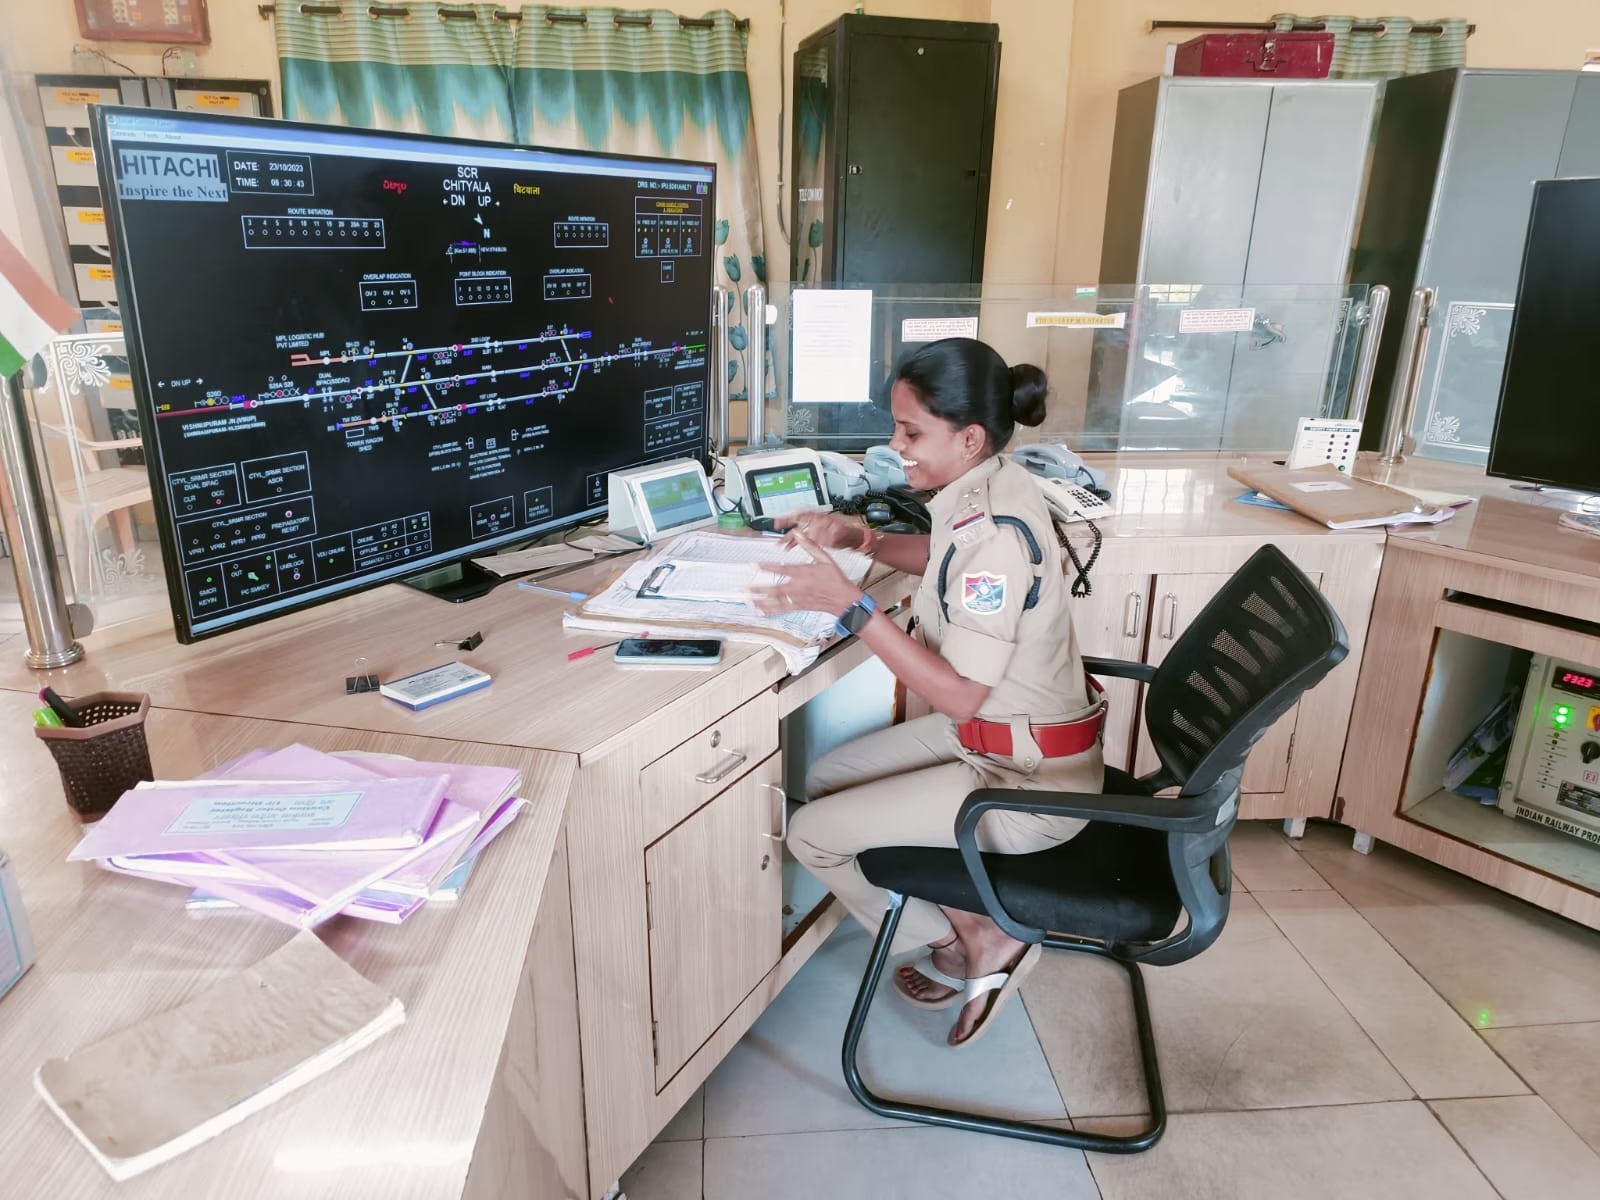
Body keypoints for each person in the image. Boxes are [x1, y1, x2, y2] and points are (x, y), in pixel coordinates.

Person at [750, 337, 1104, 1049]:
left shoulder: (996, 535)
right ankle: (972, 924)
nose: (895, 445)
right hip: (1009, 737)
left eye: (911, 432)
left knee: (812, 835)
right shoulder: (986, 485)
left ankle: (969, 938)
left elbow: (960, 696)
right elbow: (945, 558)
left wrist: (849, 605)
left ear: (968, 438)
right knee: (825, 778)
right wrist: (860, 538)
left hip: (1029, 781)